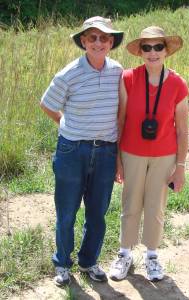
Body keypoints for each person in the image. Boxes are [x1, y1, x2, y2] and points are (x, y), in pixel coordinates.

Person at [40, 16, 124, 286]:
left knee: (97, 213)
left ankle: (89, 262)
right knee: (67, 211)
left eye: (103, 38)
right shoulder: (69, 73)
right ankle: (62, 264)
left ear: (111, 42)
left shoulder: (117, 71)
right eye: (92, 38)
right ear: (84, 42)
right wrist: (65, 124)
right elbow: (47, 104)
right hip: (71, 151)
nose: (98, 42)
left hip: (106, 152)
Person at [109, 26, 189, 282]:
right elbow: (120, 121)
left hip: (164, 155)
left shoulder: (178, 84)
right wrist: (117, 158)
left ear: (166, 51)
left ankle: (152, 256)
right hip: (131, 152)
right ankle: (124, 254)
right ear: (140, 51)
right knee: (130, 203)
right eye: (147, 47)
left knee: (156, 206)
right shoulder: (129, 78)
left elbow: (183, 131)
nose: (152, 52)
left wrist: (180, 166)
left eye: (158, 47)